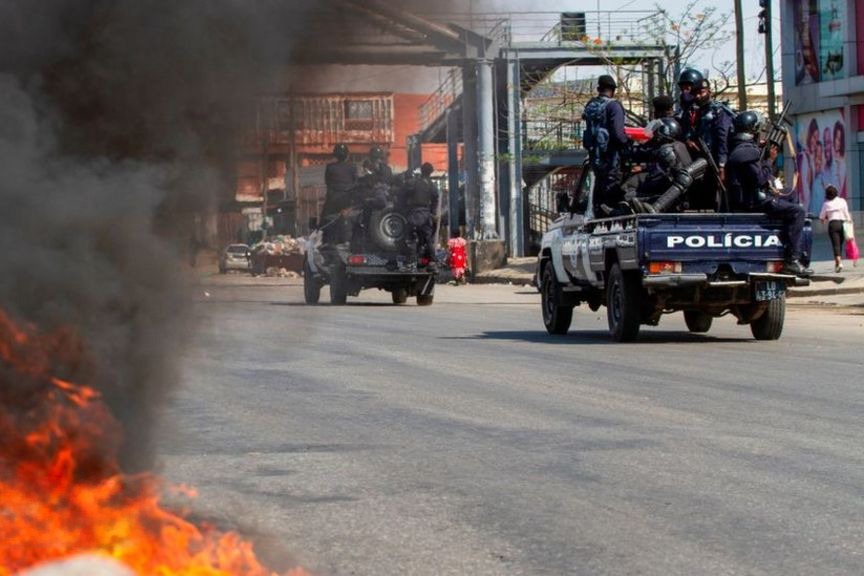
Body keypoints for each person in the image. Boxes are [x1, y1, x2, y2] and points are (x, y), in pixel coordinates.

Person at [726, 110, 812, 277]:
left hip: (749, 198)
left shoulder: (740, 148)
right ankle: (792, 260)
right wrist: (769, 160)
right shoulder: (746, 151)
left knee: (790, 195)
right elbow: (759, 179)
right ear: (753, 129)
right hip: (754, 200)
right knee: (798, 211)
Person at [622, 117, 707, 214]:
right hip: (666, 184)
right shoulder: (675, 145)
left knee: (630, 190)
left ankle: (637, 205)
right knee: (632, 184)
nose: (654, 135)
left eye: (657, 132)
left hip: (670, 193)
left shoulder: (668, 150)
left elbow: (677, 177)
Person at [582, 74, 629, 213]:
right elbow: (618, 134)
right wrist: (628, 143)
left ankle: (599, 212)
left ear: (598, 89)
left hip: (595, 157)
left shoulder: (591, 105)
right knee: (612, 188)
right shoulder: (613, 106)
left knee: (599, 185)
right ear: (613, 91)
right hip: (611, 157)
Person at [687, 76, 735, 210]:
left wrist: (721, 165)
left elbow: (722, 139)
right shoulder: (698, 112)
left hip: (717, 161)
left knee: (720, 198)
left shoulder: (719, 112)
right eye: (695, 93)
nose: (698, 96)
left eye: (701, 92)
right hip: (703, 159)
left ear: (709, 92)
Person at [321, 143, 357, 245]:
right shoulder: (352, 167)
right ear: (347, 155)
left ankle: (326, 242)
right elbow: (356, 183)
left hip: (333, 200)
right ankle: (348, 241)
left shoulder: (330, 167)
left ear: (335, 155)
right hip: (348, 201)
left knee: (325, 222)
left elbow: (328, 183)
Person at [404, 162, 439, 264]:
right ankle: (432, 259)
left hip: (415, 213)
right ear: (430, 173)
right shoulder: (431, 185)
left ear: (422, 171)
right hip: (426, 214)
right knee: (427, 238)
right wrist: (432, 212)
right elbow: (435, 198)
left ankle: (410, 259)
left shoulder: (414, 182)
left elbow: (404, 192)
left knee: (411, 237)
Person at [819, 185, 853, 272]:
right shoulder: (842, 201)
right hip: (842, 224)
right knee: (840, 244)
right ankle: (837, 263)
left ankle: (839, 262)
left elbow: (822, 217)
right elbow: (846, 213)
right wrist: (849, 222)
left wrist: (825, 219)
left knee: (835, 244)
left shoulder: (826, 204)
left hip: (833, 225)